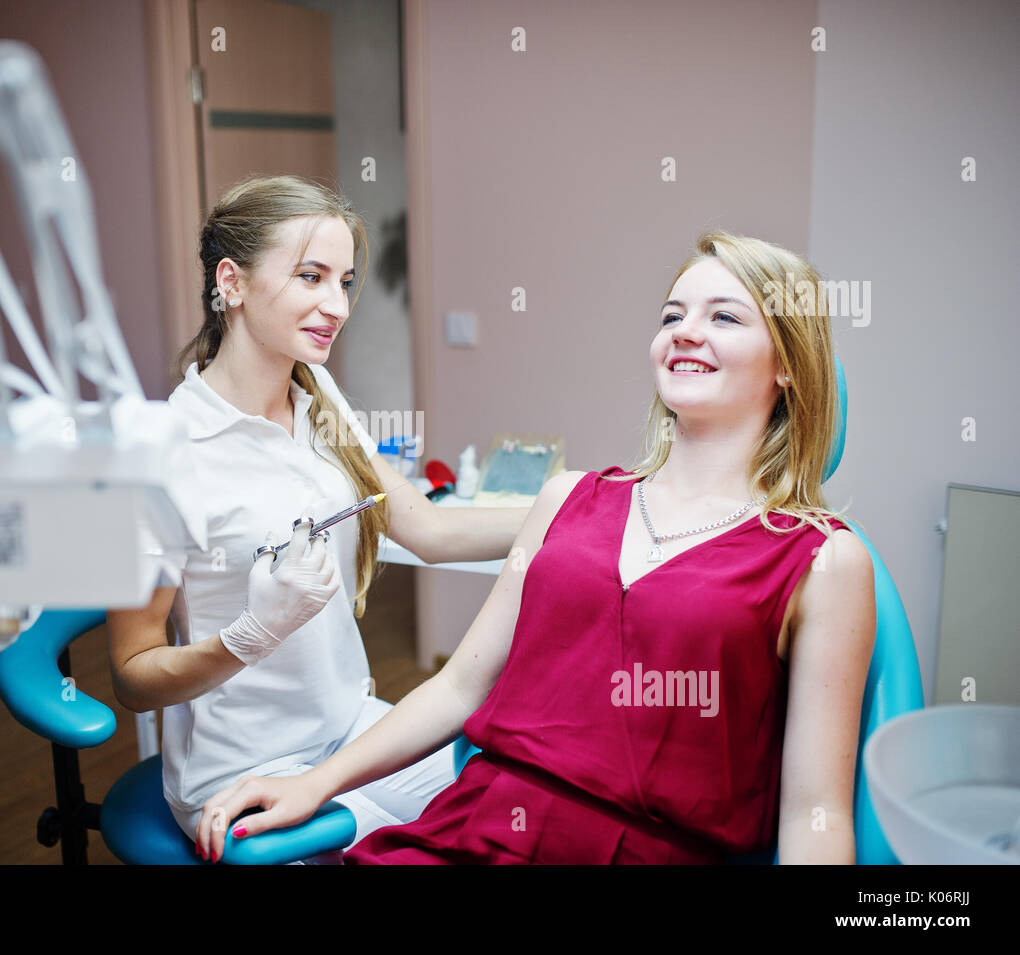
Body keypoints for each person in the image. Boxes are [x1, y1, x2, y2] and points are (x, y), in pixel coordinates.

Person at [194, 230, 878, 864]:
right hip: (476, 827)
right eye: (672, 316)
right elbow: (462, 684)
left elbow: (815, 811)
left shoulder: (822, 559)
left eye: (723, 317)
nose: (685, 332)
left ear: (789, 364)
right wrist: (315, 782)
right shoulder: (566, 499)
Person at [105, 175, 528, 860]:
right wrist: (248, 635)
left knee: (504, 823)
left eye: (345, 281)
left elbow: (428, 528)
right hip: (242, 763)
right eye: (311, 277)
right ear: (232, 283)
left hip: (348, 723)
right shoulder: (164, 455)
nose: (336, 305)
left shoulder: (316, 395)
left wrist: (573, 506)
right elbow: (130, 673)